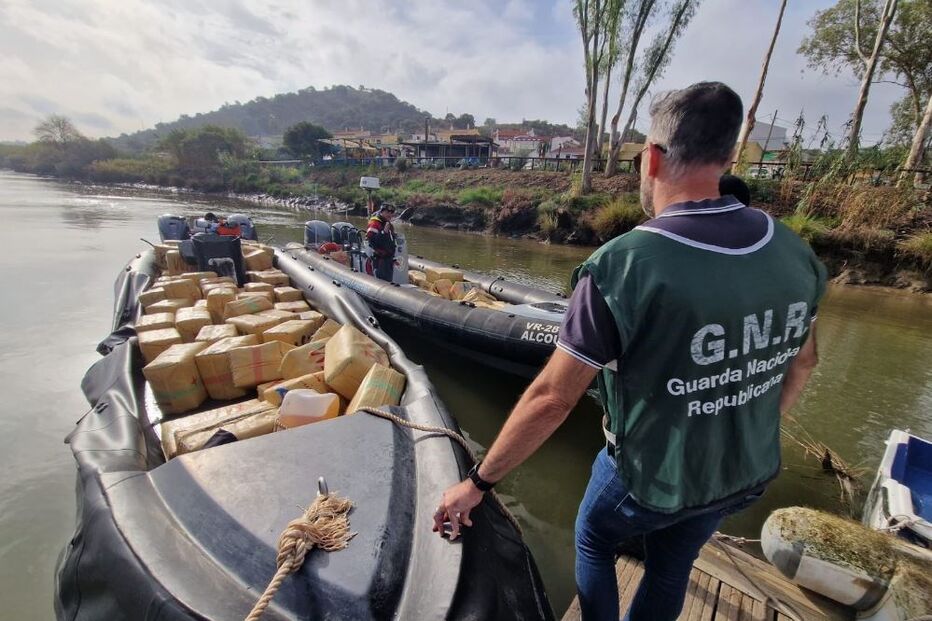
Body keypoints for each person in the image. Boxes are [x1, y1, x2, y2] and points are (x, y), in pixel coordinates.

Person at [433, 82, 827, 621]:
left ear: (653, 158)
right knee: (671, 566)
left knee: (594, 539)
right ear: (729, 156)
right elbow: (803, 363)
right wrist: (744, 425)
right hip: (740, 470)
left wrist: (476, 484)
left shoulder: (625, 266)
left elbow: (552, 398)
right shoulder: (795, 253)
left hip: (648, 476)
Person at [366, 204, 397, 282]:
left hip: (388, 260)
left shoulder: (388, 224)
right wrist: (383, 232)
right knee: (381, 282)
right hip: (380, 260)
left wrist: (393, 258)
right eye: (387, 212)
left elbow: (390, 243)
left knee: (389, 282)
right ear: (382, 212)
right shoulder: (374, 223)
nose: (389, 214)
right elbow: (372, 241)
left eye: (391, 212)